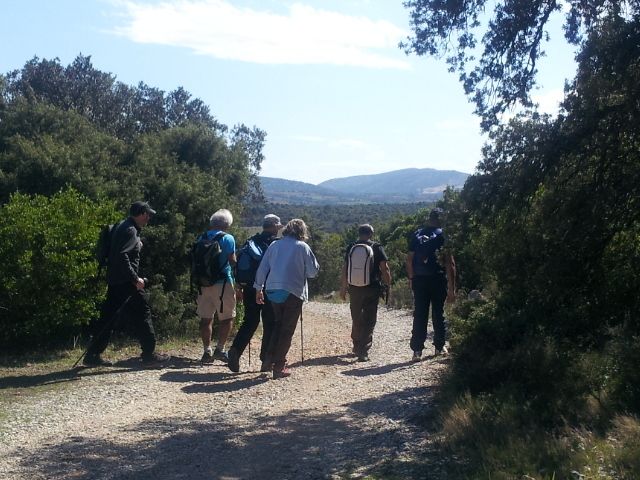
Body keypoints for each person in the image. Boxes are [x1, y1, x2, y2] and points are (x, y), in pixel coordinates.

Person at [84, 201, 169, 367]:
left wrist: (137, 245)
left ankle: (92, 355)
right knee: (143, 313)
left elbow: (118, 252)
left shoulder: (121, 226)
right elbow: (122, 256)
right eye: (148, 215)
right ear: (142, 213)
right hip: (126, 282)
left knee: (108, 318)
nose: (149, 218)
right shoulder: (130, 230)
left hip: (114, 280)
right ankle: (149, 355)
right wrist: (135, 279)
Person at [253, 219, 320, 379]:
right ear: (302, 231)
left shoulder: (274, 245)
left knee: (277, 324)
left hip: (272, 290)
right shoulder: (302, 247)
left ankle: (268, 360)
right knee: (287, 329)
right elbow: (312, 272)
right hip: (293, 291)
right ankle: (279, 366)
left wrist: (258, 288)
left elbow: (263, 267)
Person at [227, 214, 283, 373]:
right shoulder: (275, 244)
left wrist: (239, 286)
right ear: (274, 226)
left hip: (250, 287)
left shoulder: (251, 241)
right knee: (270, 322)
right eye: (278, 227)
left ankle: (235, 350)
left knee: (250, 320)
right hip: (268, 288)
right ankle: (266, 359)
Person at [406, 208, 456, 361]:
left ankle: (417, 350)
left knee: (420, 313)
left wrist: (411, 278)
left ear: (429, 218)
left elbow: (409, 260)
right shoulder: (443, 235)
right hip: (438, 279)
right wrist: (452, 288)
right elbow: (450, 263)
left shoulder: (417, 234)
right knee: (438, 313)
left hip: (419, 279)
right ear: (441, 219)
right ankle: (439, 347)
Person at [340, 224, 391, 362]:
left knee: (356, 317)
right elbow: (384, 268)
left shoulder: (352, 246)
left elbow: (345, 268)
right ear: (371, 234)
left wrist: (343, 287)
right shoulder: (377, 247)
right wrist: (388, 284)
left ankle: (356, 345)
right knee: (369, 319)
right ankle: (363, 351)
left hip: (354, 288)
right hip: (372, 288)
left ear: (359, 233)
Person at [195, 209, 237, 364]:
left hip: (203, 283)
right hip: (223, 283)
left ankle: (207, 351)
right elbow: (232, 261)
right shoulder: (228, 238)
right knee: (227, 317)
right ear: (226, 224)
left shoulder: (201, 237)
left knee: (206, 319)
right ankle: (220, 349)